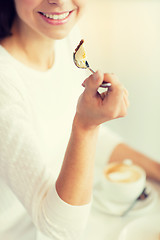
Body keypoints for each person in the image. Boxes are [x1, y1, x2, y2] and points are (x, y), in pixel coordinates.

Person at [0, 0, 129, 240]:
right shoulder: (5, 85)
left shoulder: (63, 34)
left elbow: (68, 134)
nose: (58, 1)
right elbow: (61, 230)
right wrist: (86, 126)